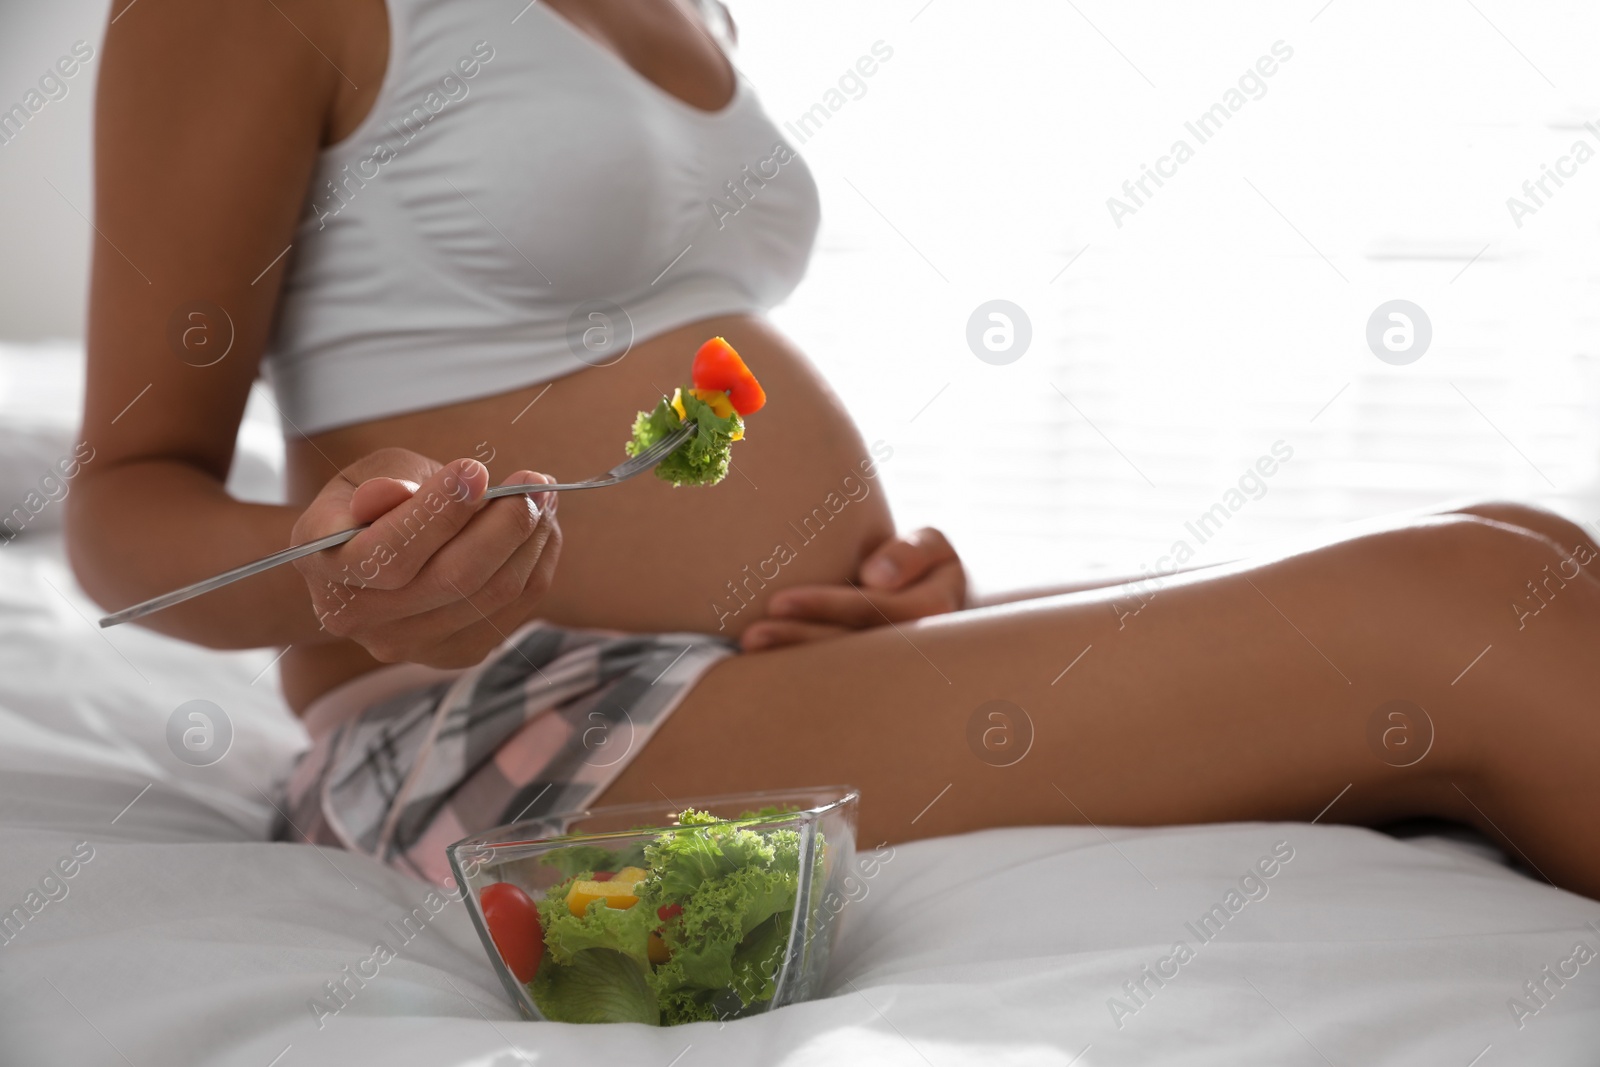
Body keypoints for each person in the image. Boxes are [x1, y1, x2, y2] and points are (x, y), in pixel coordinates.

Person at [68, 0, 1600, 895]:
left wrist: (873, 604)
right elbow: (120, 514)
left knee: (1536, 548)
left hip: (734, 678)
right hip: (475, 728)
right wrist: (336, 573)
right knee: (1465, 607)